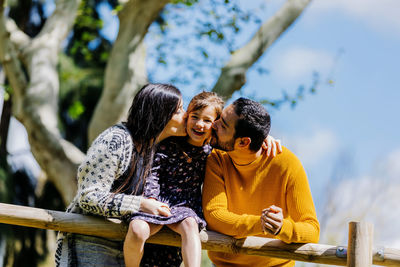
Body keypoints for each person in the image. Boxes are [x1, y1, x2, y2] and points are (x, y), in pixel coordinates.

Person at [55, 83, 188, 267]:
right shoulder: (116, 140)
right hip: (96, 243)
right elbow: (88, 196)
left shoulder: (162, 151)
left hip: (134, 248)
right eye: (179, 110)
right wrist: (140, 204)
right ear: (160, 114)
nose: (186, 116)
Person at [202, 98, 320, 267]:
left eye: (223, 125)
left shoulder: (288, 164)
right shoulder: (217, 158)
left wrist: (281, 227)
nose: (214, 124)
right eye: (219, 118)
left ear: (243, 142)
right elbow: (214, 217)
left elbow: (312, 230)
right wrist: (261, 223)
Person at [124, 92, 225, 267]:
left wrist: (265, 139)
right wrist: (151, 200)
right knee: (137, 229)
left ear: (215, 124)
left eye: (207, 121)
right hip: (157, 201)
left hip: (185, 205)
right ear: (187, 116)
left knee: (190, 225)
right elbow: (153, 174)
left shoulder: (212, 152)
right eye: (194, 117)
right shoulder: (170, 143)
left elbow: (240, 145)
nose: (199, 124)